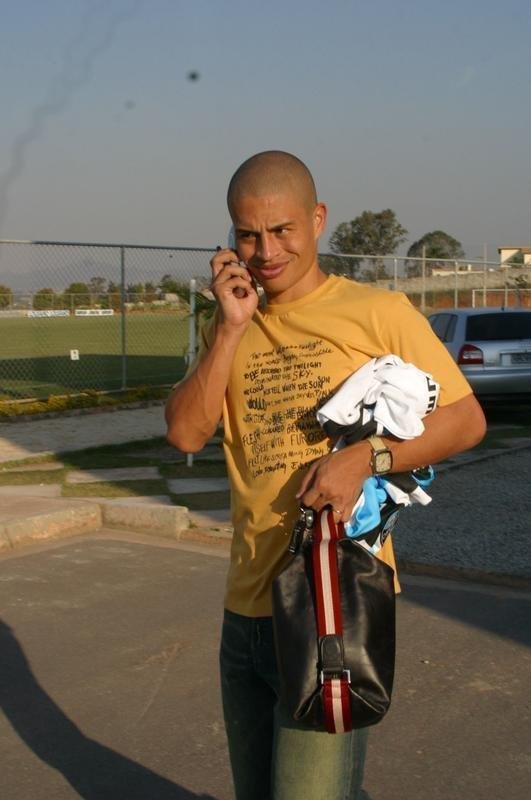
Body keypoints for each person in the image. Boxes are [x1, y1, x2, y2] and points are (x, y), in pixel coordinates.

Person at [165, 151, 486, 800]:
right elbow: (185, 433)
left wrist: (364, 456)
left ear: (316, 220)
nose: (264, 251)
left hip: (332, 602)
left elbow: (465, 420)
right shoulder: (230, 322)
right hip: (246, 608)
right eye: (247, 234)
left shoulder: (378, 311)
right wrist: (228, 331)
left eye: (282, 230)